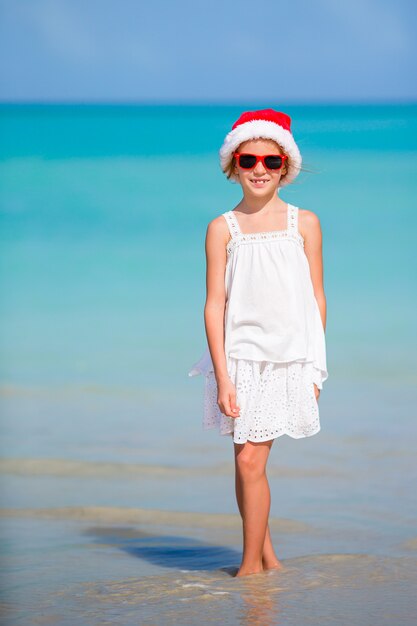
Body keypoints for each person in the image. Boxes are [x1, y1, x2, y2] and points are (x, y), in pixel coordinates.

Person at [188, 108, 328, 577]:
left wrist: (315, 368)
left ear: (286, 166)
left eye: (270, 161)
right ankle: (267, 560)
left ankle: (249, 569)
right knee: (245, 460)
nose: (260, 170)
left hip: (286, 360)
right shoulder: (221, 228)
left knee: (250, 459)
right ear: (234, 167)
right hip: (238, 360)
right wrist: (223, 376)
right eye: (249, 161)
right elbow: (214, 306)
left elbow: (316, 300)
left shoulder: (303, 223)